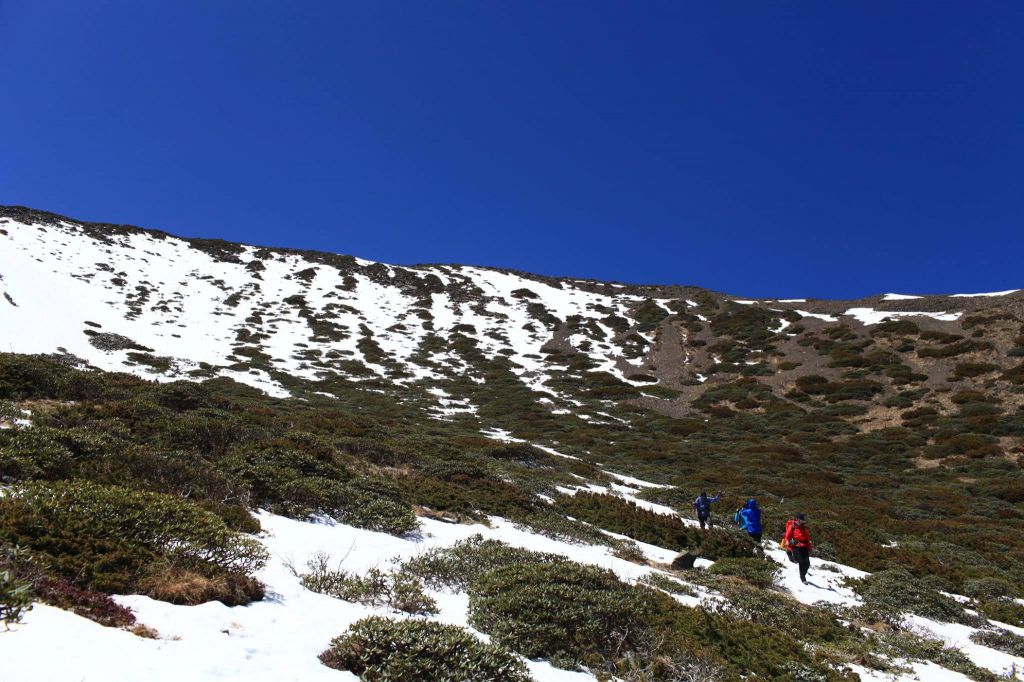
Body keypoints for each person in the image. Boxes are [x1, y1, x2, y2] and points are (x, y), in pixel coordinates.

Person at [782, 513, 813, 584]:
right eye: (802, 520)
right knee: (801, 562)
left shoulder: (804, 528)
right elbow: (787, 537)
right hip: (796, 546)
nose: (803, 521)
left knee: (807, 563)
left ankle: (803, 574)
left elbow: (807, 538)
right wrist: (787, 542)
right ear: (798, 520)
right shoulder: (792, 527)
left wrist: (810, 546)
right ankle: (803, 578)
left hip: (804, 546)